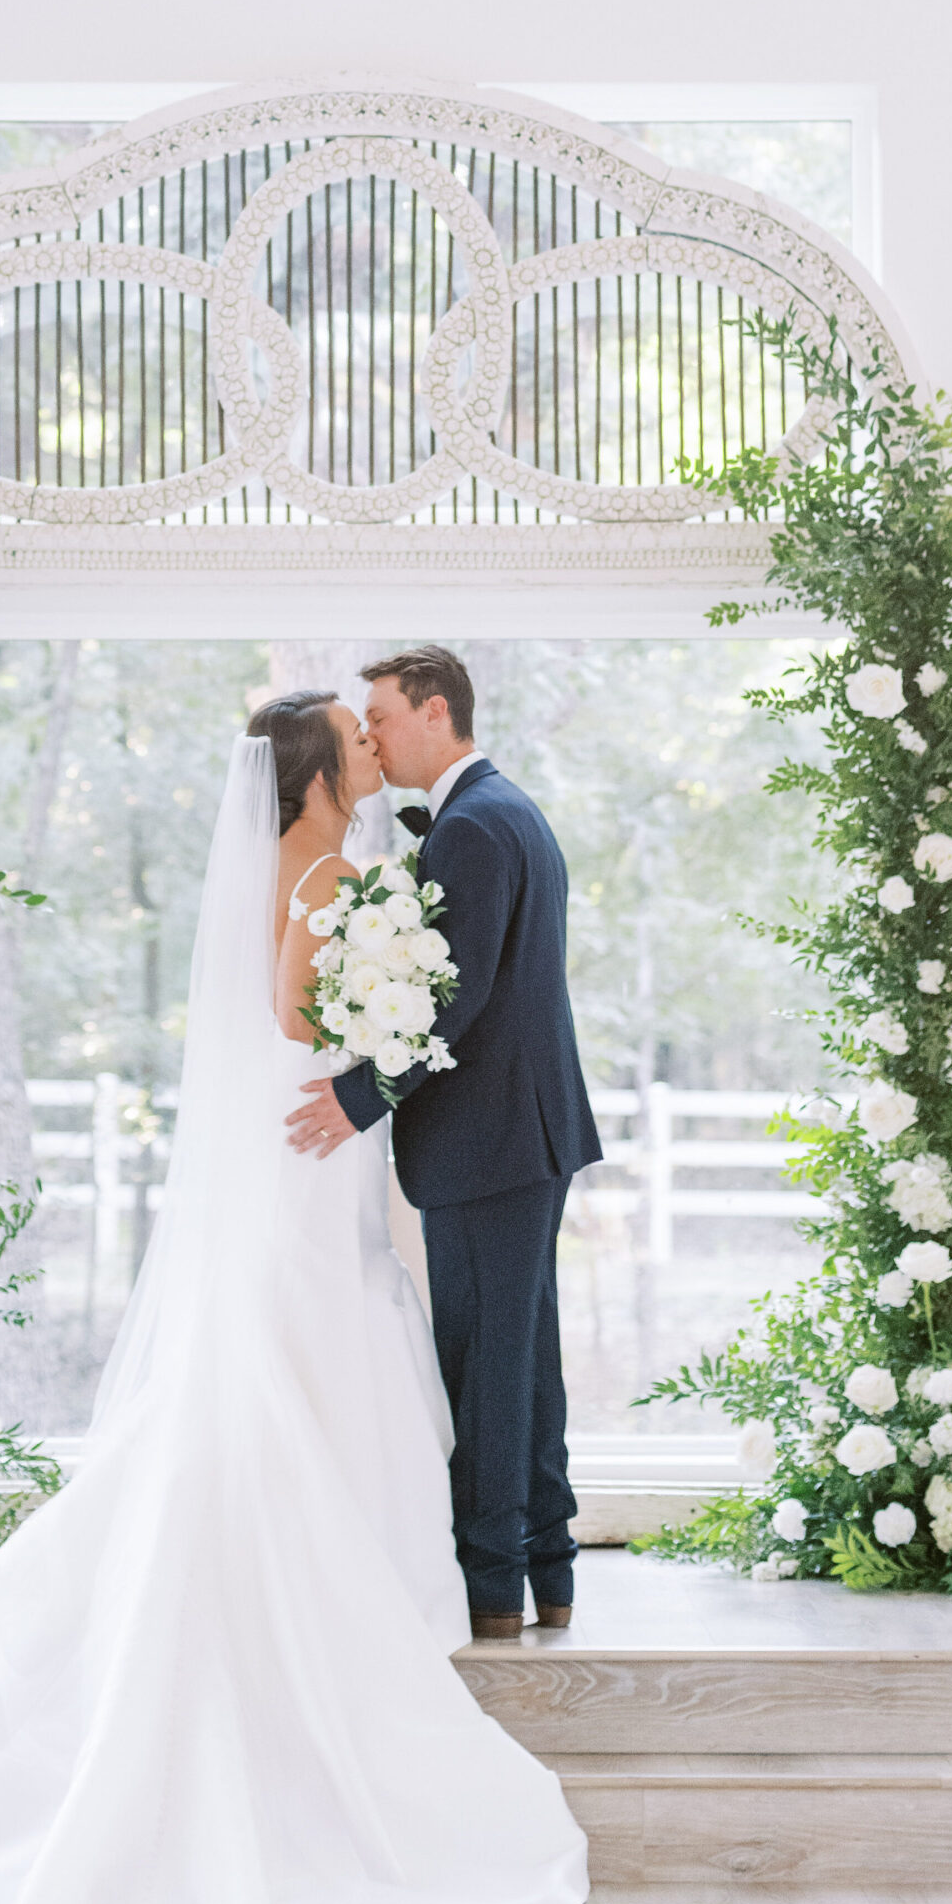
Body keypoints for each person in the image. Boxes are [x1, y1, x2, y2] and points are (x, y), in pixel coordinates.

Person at [0, 692, 586, 1904]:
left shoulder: (335, 867)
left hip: (312, 1166)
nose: (373, 744)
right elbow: (306, 1010)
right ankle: (351, 1585)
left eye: (380, 725)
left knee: (332, 1363)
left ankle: (375, 1567)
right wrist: (381, 1018)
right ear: (315, 775)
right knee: (310, 1370)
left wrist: (387, 1008)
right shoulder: (326, 878)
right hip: (311, 1162)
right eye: (353, 736)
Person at [285, 648, 602, 1642]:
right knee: (523, 1358)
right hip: (521, 1136)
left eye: (379, 716)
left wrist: (359, 1096)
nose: (370, 735)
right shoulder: (502, 810)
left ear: (434, 712)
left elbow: (450, 998)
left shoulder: (472, 827)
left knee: (488, 1364)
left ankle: (492, 1587)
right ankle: (544, 1568)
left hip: (490, 1144)